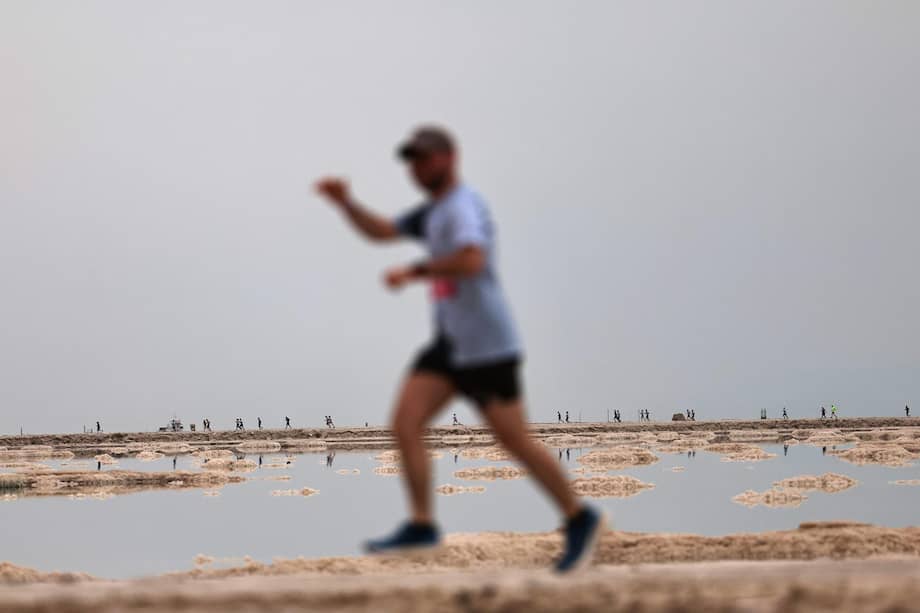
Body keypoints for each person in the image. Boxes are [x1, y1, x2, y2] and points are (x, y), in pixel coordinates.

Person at [315, 125, 601, 573]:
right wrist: (345, 203)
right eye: (411, 160)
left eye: (425, 158)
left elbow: (472, 259)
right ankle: (422, 524)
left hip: (488, 346)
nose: (417, 167)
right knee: (405, 422)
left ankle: (579, 516)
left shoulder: (461, 207)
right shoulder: (431, 214)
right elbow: (381, 230)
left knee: (514, 440)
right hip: (452, 345)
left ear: (450, 158)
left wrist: (415, 270)